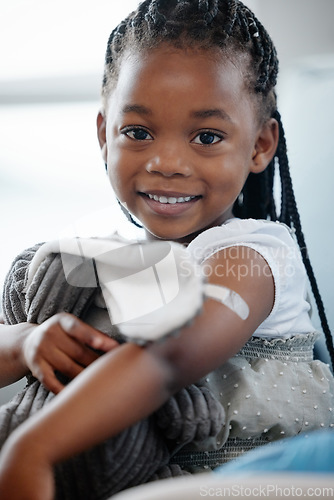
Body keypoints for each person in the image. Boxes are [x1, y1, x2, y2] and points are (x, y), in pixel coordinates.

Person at [0, 0, 333, 498]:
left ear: (260, 146)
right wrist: (28, 341)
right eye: (137, 132)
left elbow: (169, 358)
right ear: (103, 135)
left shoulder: (251, 254)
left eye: (207, 136)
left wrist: (33, 450)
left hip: (244, 479)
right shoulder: (112, 265)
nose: (167, 162)